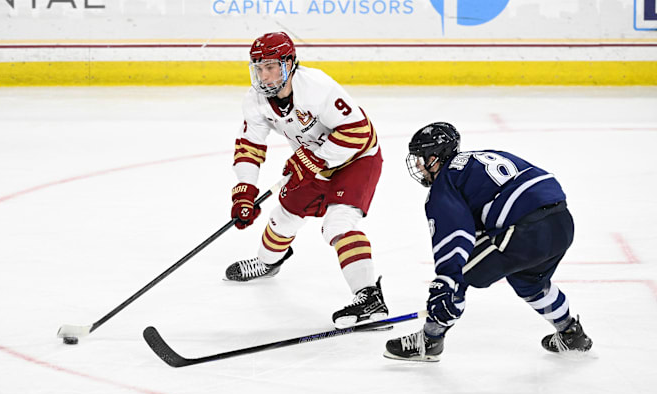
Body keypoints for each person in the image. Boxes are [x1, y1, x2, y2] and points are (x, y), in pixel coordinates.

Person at [384, 122, 592, 362]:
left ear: (435, 157)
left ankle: (430, 340)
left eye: (421, 158)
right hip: (562, 223)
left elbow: (454, 235)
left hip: (525, 231)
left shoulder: (446, 182)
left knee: (458, 274)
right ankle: (571, 333)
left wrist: (445, 280)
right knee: (530, 281)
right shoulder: (482, 157)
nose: (418, 165)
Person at [225, 31, 388, 328]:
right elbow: (249, 144)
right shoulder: (257, 99)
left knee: (337, 224)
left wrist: (315, 158)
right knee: (284, 217)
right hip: (313, 161)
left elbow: (358, 132)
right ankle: (268, 262)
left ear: (289, 64)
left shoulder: (317, 87)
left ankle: (369, 295)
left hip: (356, 160)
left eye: (271, 66)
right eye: (258, 67)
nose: (264, 75)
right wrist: (245, 189)